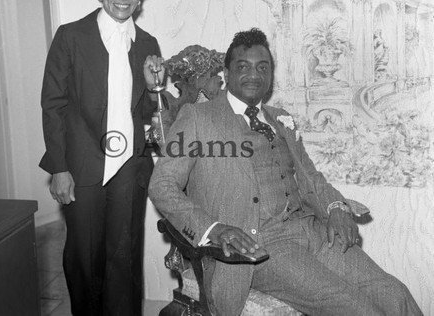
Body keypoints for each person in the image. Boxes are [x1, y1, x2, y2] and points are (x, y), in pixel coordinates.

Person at [149, 28, 422, 316]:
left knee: (394, 294)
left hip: (313, 232)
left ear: (270, 76)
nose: (254, 75)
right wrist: (213, 230)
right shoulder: (197, 117)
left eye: (262, 68)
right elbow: (162, 185)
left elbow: (311, 177)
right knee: (357, 309)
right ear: (226, 75)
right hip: (262, 246)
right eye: (243, 67)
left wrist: (336, 207)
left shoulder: (281, 118)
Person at [40, 0, 164, 316]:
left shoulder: (147, 44)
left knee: (123, 259)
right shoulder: (71, 37)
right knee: (83, 257)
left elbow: (147, 113)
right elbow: (53, 105)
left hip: (129, 165)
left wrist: (154, 86)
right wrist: (59, 169)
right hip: (81, 167)